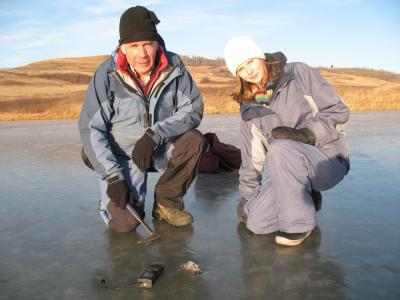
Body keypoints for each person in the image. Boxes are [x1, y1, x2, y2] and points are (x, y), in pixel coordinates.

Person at [79, 6, 205, 232]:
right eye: (134, 46)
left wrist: (155, 134)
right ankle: (110, 181)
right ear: (123, 48)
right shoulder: (106, 74)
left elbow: (193, 108)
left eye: (147, 44)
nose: (142, 53)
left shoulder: (174, 66)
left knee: (194, 141)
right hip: (121, 156)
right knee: (124, 224)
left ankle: (166, 204)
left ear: (157, 43)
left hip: (158, 148)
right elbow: (92, 129)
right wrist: (113, 177)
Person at [224, 36, 350, 246]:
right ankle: (305, 197)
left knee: (280, 148)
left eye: (251, 62)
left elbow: (338, 111)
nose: (250, 70)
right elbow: (251, 159)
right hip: (288, 171)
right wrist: (248, 198)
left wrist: (308, 135)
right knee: (256, 222)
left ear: (260, 56)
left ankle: (299, 225)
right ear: (237, 74)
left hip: (327, 158)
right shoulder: (249, 108)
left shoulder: (297, 73)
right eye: (241, 68)